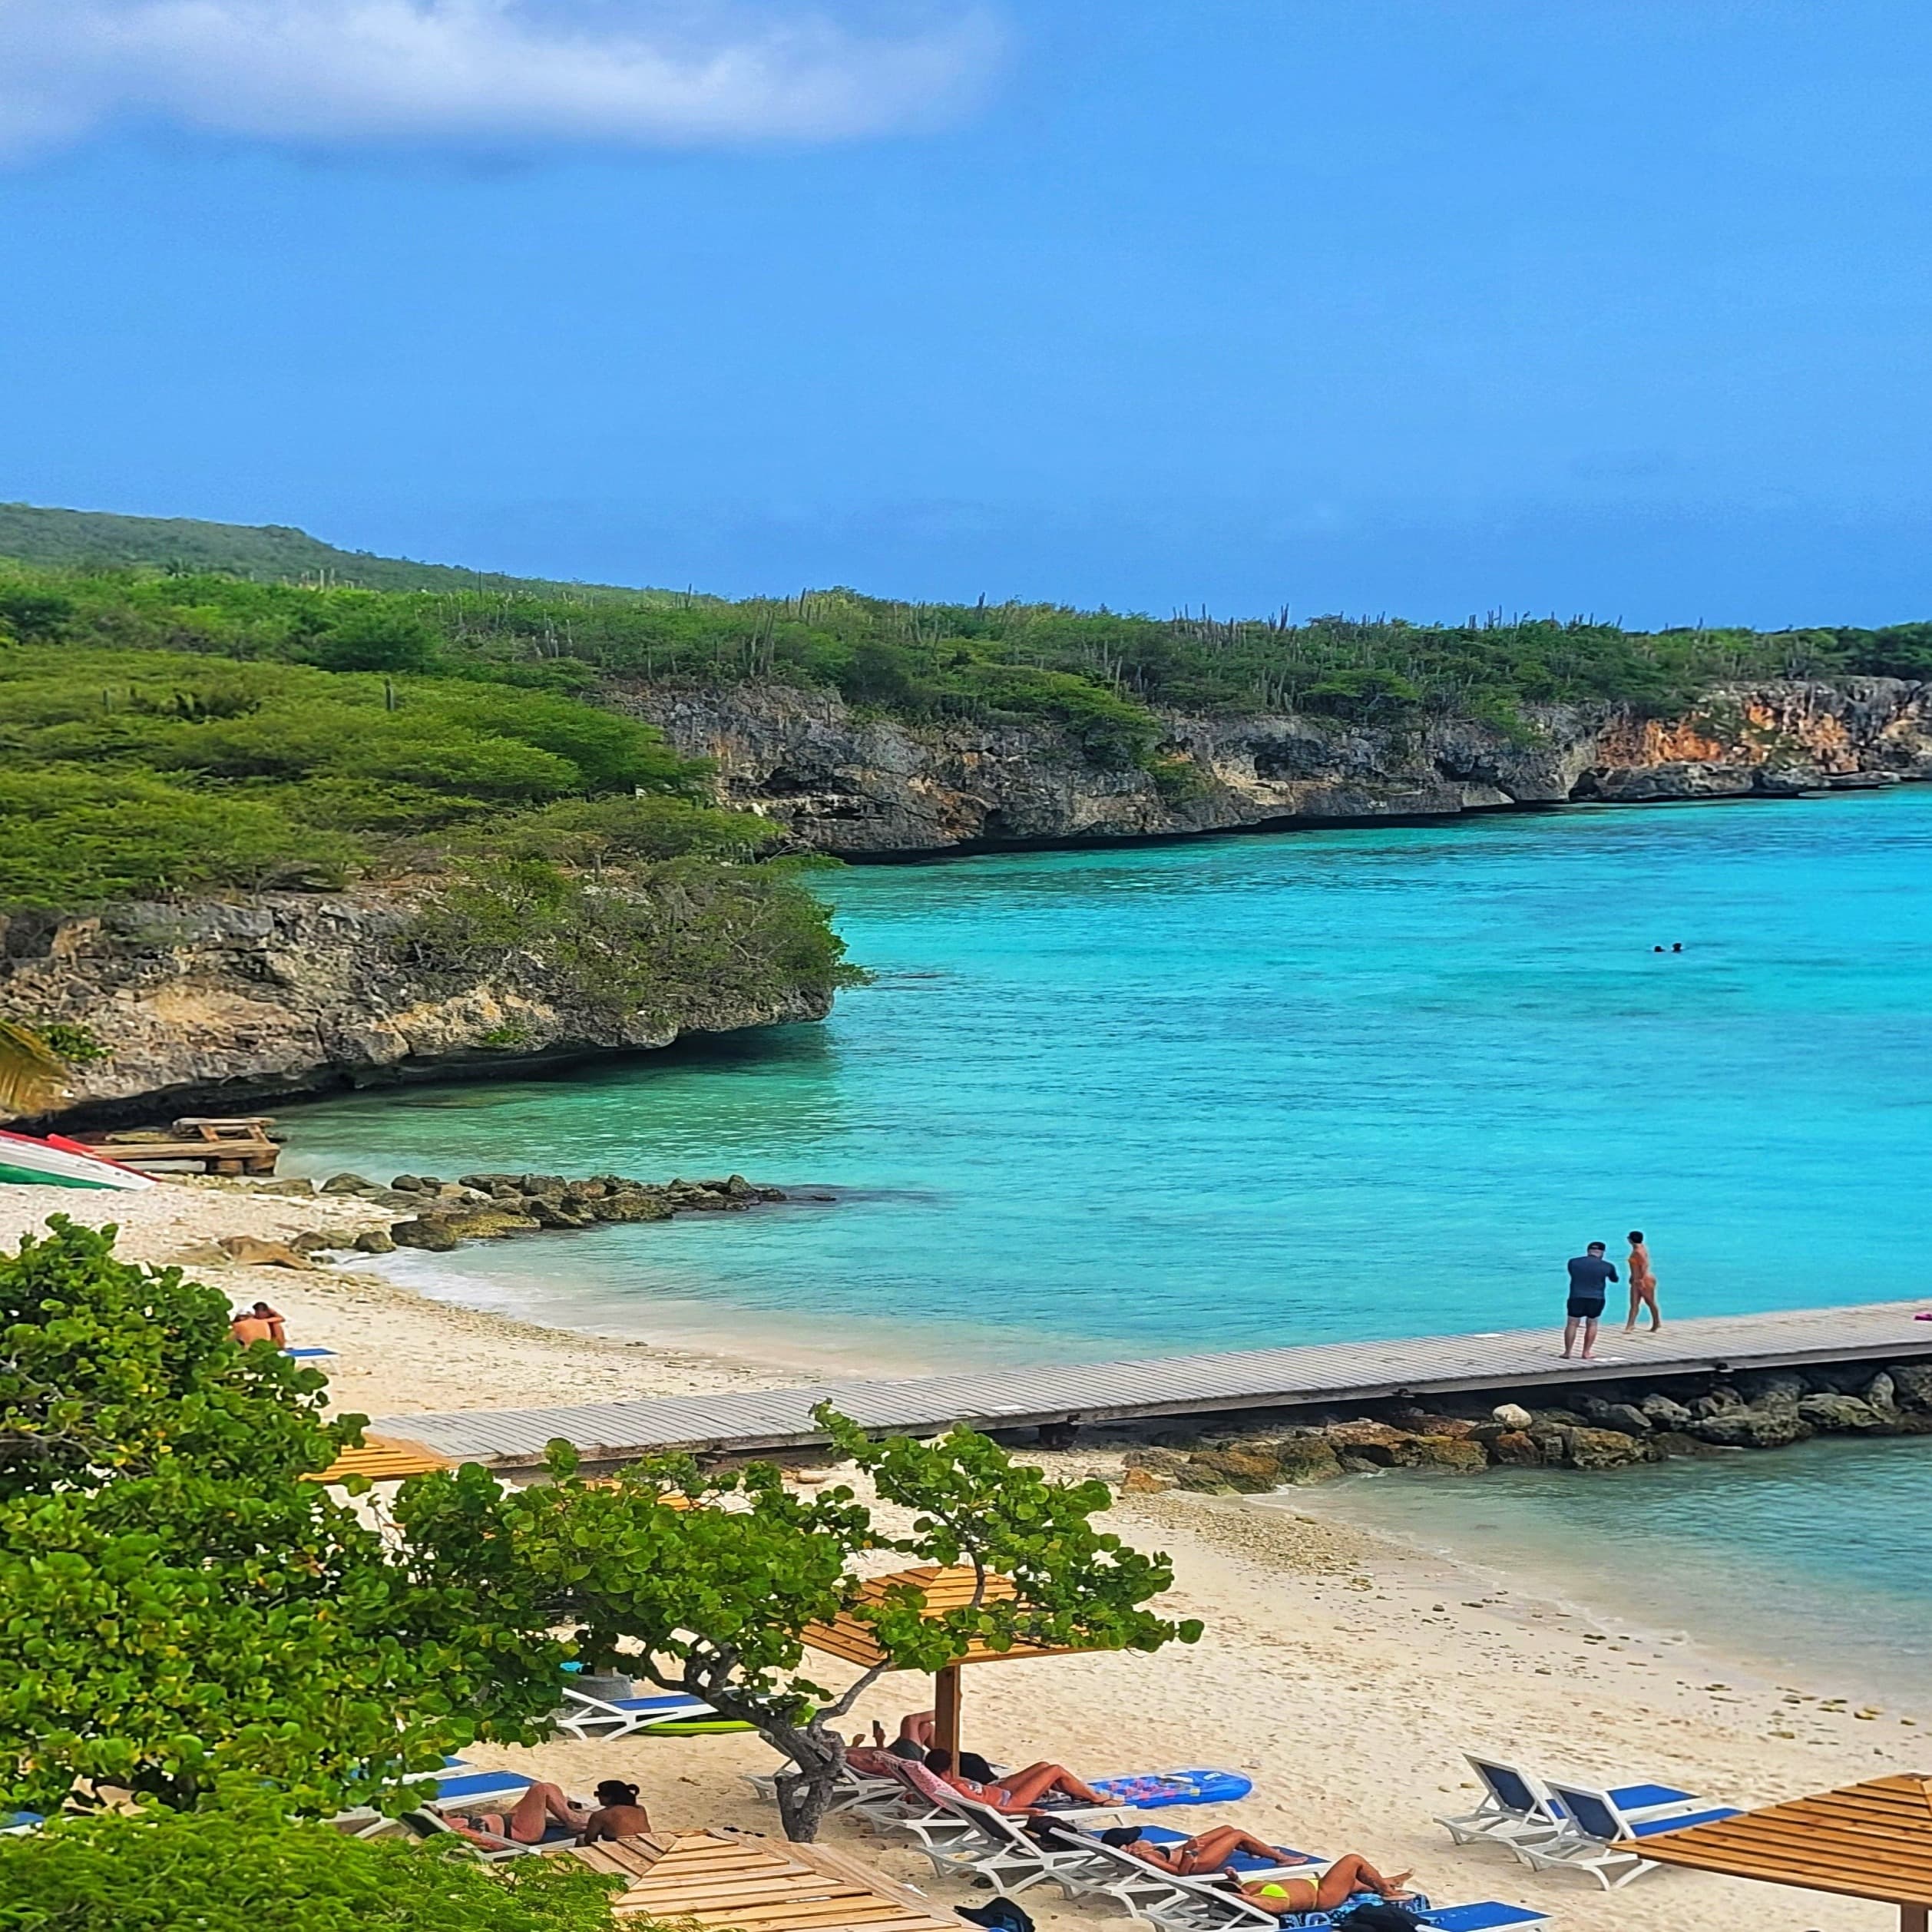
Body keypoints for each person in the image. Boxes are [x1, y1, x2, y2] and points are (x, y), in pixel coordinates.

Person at [923, 1746, 1107, 1812]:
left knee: (1043, 1766)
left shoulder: (947, 1782)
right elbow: (989, 1809)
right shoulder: (957, 1788)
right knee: (1055, 1770)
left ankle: (1077, 1792)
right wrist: (1024, 1811)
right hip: (1010, 1801)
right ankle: (1095, 1798)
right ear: (948, 1767)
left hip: (1000, 1789)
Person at [1236, 1854, 1417, 1915]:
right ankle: (1387, 1891)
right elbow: (1274, 1907)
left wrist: (1236, 1881)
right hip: (1323, 1896)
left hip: (1318, 1886)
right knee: (1352, 1861)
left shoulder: (1249, 1888)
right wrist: (1238, 1897)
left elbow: (1240, 1889)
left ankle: (1390, 1882)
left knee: (1354, 1881)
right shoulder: (1265, 1900)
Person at [1117, 1824, 1314, 1877]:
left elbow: (1170, 1857)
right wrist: (1189, 1852)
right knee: (1238, 1835)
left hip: (1183, 1853)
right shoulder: (1147, 1856)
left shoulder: (1138, 1851)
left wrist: (1185, 1848)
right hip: (1198, 1863)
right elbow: (1180, 1873)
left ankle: (1258, 1850)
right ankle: (1281, 1858)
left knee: (1227, 1829)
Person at [439, 1780, 589, 1848]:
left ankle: (569, 1815)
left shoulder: (444, 1822)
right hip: (519, 1832)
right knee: (540, 1789)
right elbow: (492, 1844)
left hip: (509, 1818)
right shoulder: (456, 1832)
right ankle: (572, 1821)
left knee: (548, 1787)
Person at [1562, 1241, 1618, 1361]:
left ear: (1588, 1251)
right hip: (1596, 1298)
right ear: (1602, 1252)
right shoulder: (1607, 1266)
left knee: (1572, 1323)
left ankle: (1567, 1352)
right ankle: (1586, 1352)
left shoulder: (1573, 1262)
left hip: (1576, 1296)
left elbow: (1573, 1274)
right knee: (1592, 1323)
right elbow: (1614, 1279)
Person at [578, 1778, 652, 1844]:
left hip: (622, 1848)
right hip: (645, 1843)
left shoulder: (601, 1815)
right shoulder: (640, 1809)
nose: (598, 1797)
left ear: (608, 1797)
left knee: (581, 1839)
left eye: (598, 1794)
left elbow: (589, 1839)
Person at [1624, 1229, 1660, 1334]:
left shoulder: (1638, 1251)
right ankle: (1630, 1325)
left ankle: (1656, 1322)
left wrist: (1641, 1280)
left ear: (1631, 1240)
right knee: (1634, 1303)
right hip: (1636, 1280)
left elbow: (1644, 1265)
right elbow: (1636, 1266)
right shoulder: (1639, 1248)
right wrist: (1633, 1277)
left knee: (1650, 1302)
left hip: (1644, 1279)